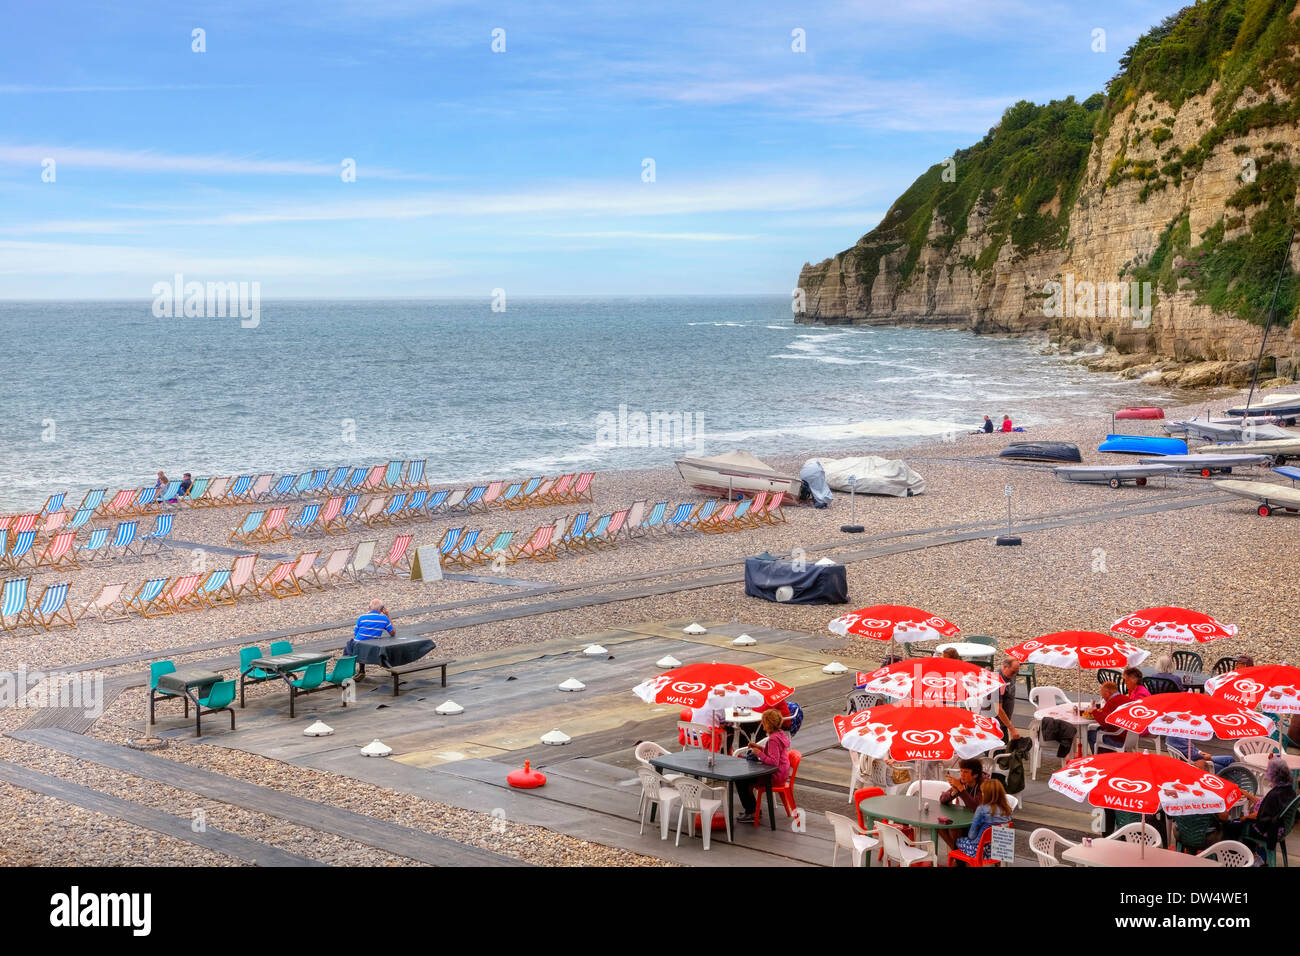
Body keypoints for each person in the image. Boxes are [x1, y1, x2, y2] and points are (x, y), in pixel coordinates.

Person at [1221, 756, 1297, 864]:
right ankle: (1253, 854)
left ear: (1274, 775)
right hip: (1281, 827)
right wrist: (1248, 795)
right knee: (1239, 823)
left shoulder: (1275, 795)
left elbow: (1260, 815)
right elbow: (1265, 805)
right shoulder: (1287, 789)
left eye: (1268, 771)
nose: (1266, 773)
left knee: (1230, 825)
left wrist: (1245, 817)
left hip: (1270, 830)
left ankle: (1234, 859)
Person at [736, 709, 791, 823]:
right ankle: (752, 809)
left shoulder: (773, 740)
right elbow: (773, 753)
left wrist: (758, 753)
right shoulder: (780, 734)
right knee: (744, 779)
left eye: (763, 722)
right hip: (782, 774)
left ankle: (752, 812)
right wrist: (758, 747)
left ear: (767, 724)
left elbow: (773, 762)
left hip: (774, 777)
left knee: (741, 780)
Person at [953, 779, 1013, 859]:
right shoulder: (1007, 810)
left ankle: (963, 864)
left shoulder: (982, 809)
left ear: (987, 794)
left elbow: (971, 835)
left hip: (980, 851)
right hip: (1000, 852)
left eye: (983, 792)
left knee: (957, 840)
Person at [939, 758, 985, 849]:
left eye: (966, 772)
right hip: (966, 819)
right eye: (961, 771)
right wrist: (953, 792)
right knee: (940, 826)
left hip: (981, 824)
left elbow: (975, 807)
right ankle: (958, 855)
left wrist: (961, 789)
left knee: (954, 828)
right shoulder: (963, 781)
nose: (962, 775)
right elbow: (942, 799)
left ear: (975, 775)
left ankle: (959, 857)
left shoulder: (983, 785)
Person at [1084, 681, 1131, 751]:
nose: (1103, 698)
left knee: (1091, 734)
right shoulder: (1127, 699)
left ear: (1107, 693)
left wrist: (1094, 711)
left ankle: (1101, 758)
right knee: (1098, 730)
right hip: (1131, 739)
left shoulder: (1111, 702)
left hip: (1118, 740)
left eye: (1103, 696)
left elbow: (1105, 723)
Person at [1167, 735, 1232, 773]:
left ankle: (1232, 775)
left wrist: (1200, 752)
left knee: (1229, 759)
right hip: (1194, 762)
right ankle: (1235, 779)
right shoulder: (1176, 737)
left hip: (1196, 757)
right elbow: (1193, 756)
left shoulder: (1173, 734)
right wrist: (1206, 757)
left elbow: (1190, 748)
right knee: (1227, 763)